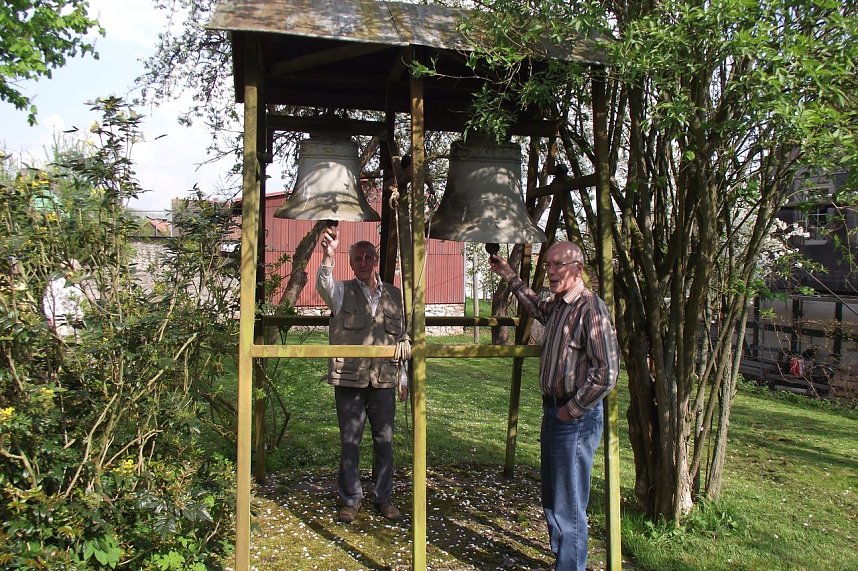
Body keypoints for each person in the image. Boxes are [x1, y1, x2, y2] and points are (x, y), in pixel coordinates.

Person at [489, 241, 619, 571]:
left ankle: (570, 566)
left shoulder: (591, 309)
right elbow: (536, 307)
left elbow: (606, 372)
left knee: (569, 504)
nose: (550, 272)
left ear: (578, 269)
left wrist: (571, 409)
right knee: (552, 497)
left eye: (557, 265)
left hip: (575, 418)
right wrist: (509, 275)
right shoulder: (560, 305)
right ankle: (563, 558)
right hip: (554, 413)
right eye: (547, 266)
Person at [316, 226, 409, 523]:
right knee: (350, 440)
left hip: (383, 379)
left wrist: (406, 359)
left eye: (370, 257)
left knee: (384, 440)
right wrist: (327, 256)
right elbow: (323, 284)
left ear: (376, 259)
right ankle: (351, 499)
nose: (365, 262)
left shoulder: (396, 295)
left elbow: (405, 335)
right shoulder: (340, 291)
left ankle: (384, 497)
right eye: (359, 258)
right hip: (349, 379)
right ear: (351, 262)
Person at [42, 259, 86, 338]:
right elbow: (47, 299)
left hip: (74, 319)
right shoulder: (55, 281)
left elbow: (79, 301)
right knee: (65, 342)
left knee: (76, 343)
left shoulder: (76, 283)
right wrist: (49, 316)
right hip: (58, 318)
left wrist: (80, 317)